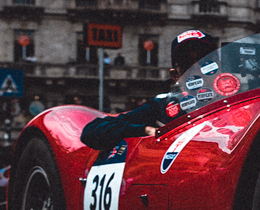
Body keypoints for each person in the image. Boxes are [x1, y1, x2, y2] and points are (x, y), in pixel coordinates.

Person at [81, 29, 221, 150]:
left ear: (219, 67)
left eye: (206, 61)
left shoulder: (238, 98)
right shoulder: (164, 105)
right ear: (175, 75)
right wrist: (145, 130)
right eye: (187, 63)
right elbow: (91, 131)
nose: (197, 69)